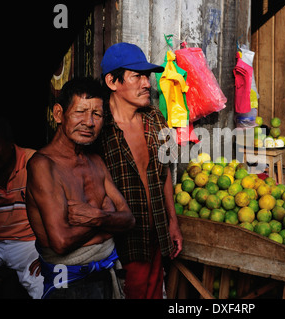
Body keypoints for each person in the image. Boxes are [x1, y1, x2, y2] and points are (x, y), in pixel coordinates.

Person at [26, 77, 135, 299]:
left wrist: (95, 216)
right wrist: (108, 219)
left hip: (105, 275)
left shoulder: (95, 161)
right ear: (59, 114)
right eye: (80, 112)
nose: (89, 122)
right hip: (67, 283)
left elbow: (129, 220)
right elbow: (61, 242)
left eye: (97, 114)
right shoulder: (43, 165)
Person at [99, 42, 183, 299]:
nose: (147, 83)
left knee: (155, 292)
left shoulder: (155, 118)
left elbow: (164, 173)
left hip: (156, 230)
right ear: (113, 81)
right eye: (138, 76)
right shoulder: (99, 127)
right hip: (123, 239)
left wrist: (172, 221)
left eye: (147, 76)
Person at [0, 116, 43, 298]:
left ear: (11, 144)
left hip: (28, 241)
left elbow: (53, 212)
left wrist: (48, 253)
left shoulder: (33, 162)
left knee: (49, 284)